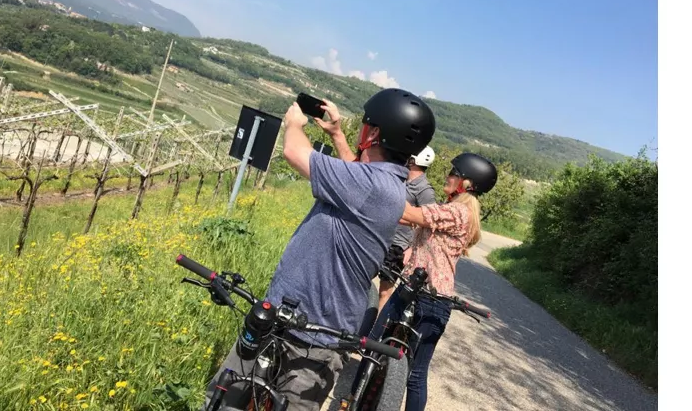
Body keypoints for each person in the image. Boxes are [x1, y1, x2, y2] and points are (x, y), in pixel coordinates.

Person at [202, 88, 436, 411]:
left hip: (310, 342)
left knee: (225, 402)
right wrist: (339, 135)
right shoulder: (383, 184)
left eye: (366, 125)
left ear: (375, 133)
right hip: (287, 322)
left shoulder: (372, 187)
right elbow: (356, 170)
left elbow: (294, 153)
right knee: (224, 400)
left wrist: (294, 123)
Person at [367, 152, 498, 411]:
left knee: (412, 373)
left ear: (467, 184)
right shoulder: (449, 209)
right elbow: (406, 217)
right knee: (376, 345)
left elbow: (411, 214)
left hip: (430, 300)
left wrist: (382, 179)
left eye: (454, 174)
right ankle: (360, 398)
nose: (448, 177)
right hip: (412, 289)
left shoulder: (459, 213)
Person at [377, 146, 437, 313]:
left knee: (385, 290)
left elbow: (428, 224)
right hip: (380, 236)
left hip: (398, 245)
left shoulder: (425, 191)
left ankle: (372, 331)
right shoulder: (401, 178)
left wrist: (411, 249)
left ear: (414, 160)